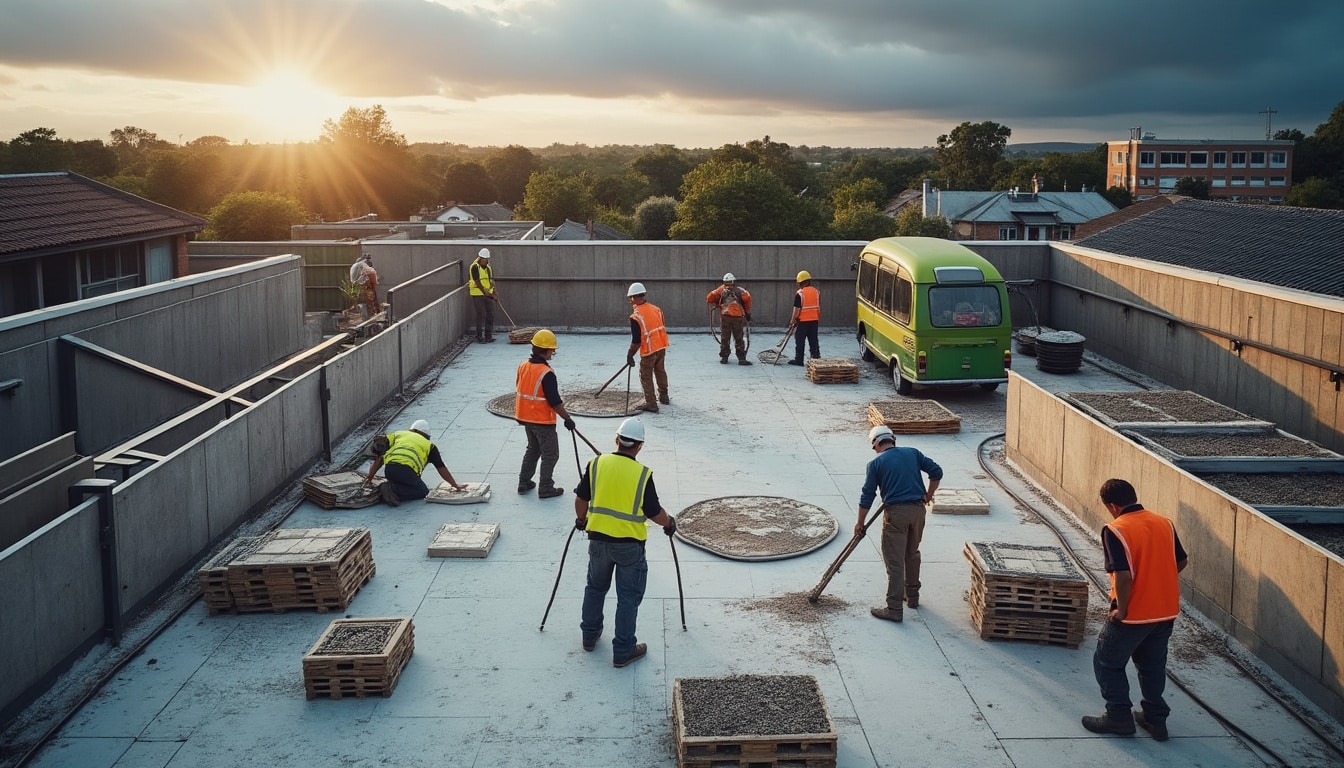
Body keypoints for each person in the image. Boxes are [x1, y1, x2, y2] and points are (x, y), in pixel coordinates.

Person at [1082, 478, 1188, 740]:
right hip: (1165, 612)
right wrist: (1156, 582)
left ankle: (1118, 718)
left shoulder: (1115, 529)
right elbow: (1181, 560)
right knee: (1152, 665)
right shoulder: (1163, 522)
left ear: (1112, 506)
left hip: (1133, 615)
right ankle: (1155, 720)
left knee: (1107, 662)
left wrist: (1122, 610)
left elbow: (1123, 575)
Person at [573, 417, 677, 667]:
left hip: (598, 542)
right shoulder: (642, 474)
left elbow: (581, 498)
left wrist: (582, 520)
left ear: (616, 440)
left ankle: (589, 636)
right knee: (628, 598)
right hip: (629, 547)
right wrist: (669, 523)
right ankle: (623, 651)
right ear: (639, 445)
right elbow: (654, 512)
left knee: (595, 588)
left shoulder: (596, 464)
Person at [856, 425, 942, 623]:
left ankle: (894, 608)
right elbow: (936, 472)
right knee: (912, 554)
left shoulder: (875, 464)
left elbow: (867, 496)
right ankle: (912, 597)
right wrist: (928, 495)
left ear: (877, 444)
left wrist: (860, 523)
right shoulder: (913, 453)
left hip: (896, 515)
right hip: (918, 512)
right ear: (892, 439)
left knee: (895, 562)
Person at [516, 329, 576, 499]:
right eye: (552, 351)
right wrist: (567, 418)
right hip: (542, 421)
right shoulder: (546, 373)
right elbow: (554, 401)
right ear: (547, 350)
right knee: (550, 454)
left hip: (526, 418)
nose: (553, 353)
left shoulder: (523, 366)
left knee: (533, 449)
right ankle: (546, 487)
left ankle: (524, 481)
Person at [364, 419, 465, 506]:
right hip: (406, 471)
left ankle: (391, 487)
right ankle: (391, 490)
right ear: (427, 436)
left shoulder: (397, 435)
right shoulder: (429, 445)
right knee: (422, 491)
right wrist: (454, 485)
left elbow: (379, 459)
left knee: (403, 481)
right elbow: (441, 468)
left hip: (389, 469)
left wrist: (369, 479)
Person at [625, 282, 670, 413]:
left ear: (633, 297)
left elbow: (636, 341)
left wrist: (630, 354)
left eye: (630, 298)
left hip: (649, 351)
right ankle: (664, 396)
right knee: (660, 370)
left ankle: (651, 403)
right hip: (661, 346)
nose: (630, 301)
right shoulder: (656, 309)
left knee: (645, 375)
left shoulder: (636, 316)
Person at [706, 272, 753, 365]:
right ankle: (741, 358)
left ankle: (724, 357)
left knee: (725, 337)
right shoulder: (741, 291)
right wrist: (747, 313)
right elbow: (748, 299)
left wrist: (717, 302)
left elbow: (709, 298)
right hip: (737, 318)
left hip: (726, 317)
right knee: (738, 337)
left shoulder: (721, 290)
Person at [788, 270, 821, 365]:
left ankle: (799, 360)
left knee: (800, 340)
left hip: (802, 321)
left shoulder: (800, 293)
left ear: (803, 282)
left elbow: (796, 309)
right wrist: (816, 317)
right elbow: (818, 307)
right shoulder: (816, 292)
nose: (799, 285)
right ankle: (816, 358)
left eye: (800, 283)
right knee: (813, 340)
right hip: (814, 320)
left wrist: (792, 321)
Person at [468, 248, 497, 343]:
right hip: (477, 293)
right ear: (480, 258)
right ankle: (479, 336)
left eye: (488, 259)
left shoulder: (488, 268)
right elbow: (477, 282)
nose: (487, 261)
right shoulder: (474, 267)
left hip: (488, 294)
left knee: (490, 314)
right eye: (485, 259)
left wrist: (494, 293)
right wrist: (486, 292)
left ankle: (488, 335)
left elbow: (491, 281)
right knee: (480, 314)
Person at [349, 252, 380, 319]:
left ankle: (370, 314)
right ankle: (372, 315)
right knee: (370, 301)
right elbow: (370, 274)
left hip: (357, 286)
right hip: (363, 286)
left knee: (366, 302)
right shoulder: (361, 265)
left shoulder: (356, 265)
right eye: (368, 259)